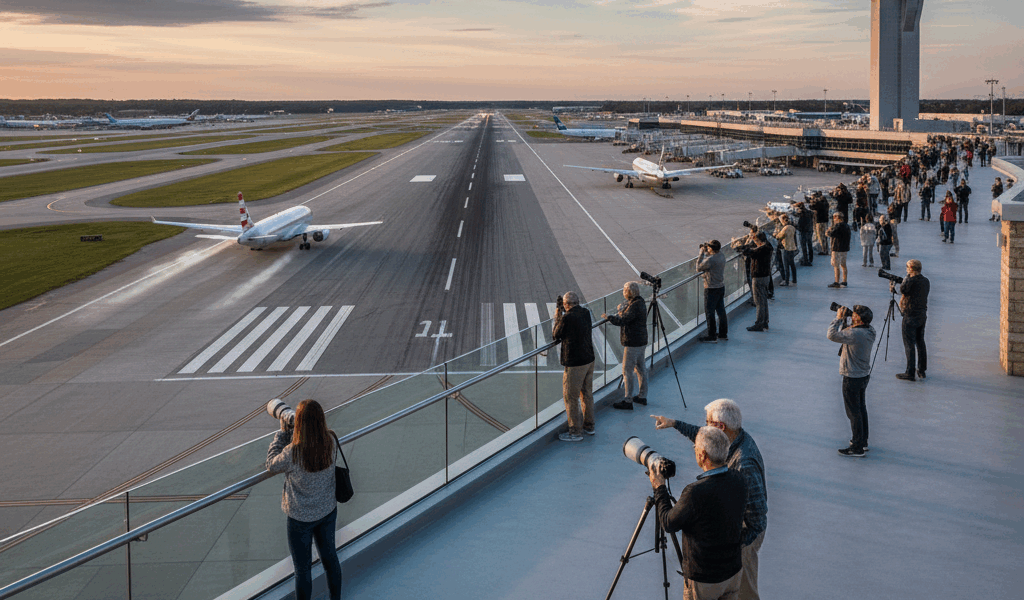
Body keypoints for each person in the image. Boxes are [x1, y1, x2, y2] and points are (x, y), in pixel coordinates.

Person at [652, 399, 768, 600]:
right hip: (733, 528)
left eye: (707, 422)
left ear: (720, 427)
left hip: (744, 535)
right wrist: (675, 424)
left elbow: (758, 520)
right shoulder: (731, 440)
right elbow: (705, 439)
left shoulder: (744, 463)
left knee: (746, 593)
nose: (703, 426)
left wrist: (733, 543)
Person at [651, 426, 746, 600]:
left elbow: (668, 523)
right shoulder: (739, 478)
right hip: (733, 571)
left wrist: (659, 489)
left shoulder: (695, 492)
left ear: (702, 455)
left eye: (695, 448)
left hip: (705, 579)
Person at [267, 400, 343, 600]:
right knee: (330, 559)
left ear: (298, 423)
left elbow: (271, 464)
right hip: (327, 511)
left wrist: (282, 434)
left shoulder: (293, 451)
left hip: (300, 518)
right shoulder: (330, 440)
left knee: (302, 569)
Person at [826, 305, 877, 457]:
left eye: (854, 315)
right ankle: (863, 441)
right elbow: (848, 334)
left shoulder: (854, 334)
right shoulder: (870, 331)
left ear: (859, 319)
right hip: (863, 375)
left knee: (853, 413)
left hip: (851, 377)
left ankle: (856, 446)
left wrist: (838, 318)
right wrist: (848, 321)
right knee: (861, 409)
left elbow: (831, 335)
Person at [553, 291, 596, 441]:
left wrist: (558, 314)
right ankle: (589, 426)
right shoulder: (585, 312)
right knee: (587, 393)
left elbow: (556, 334)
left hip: (575, 363)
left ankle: (575, 431)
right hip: (589, 358)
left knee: (571, 396)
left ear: (565, 305)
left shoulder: (567, 318)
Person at [603, 282, 648, 410]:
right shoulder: (640, 302)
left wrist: (609, 317)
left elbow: (623, 321)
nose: (623, 292)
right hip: (641, 340)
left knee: (627, 371)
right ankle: (642, 395)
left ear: (628, 292)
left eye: (624, 290)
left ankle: (628, 400)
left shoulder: (634, 306)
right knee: (640, 368)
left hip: (633, 342)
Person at [896, 259, 930, 381]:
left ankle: (910, 372)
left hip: (910, 315)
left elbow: (903, 290)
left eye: (907, 267)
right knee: (920, 342)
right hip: (922, 314)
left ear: (911, 268)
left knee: (909, 344)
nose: (906, 269)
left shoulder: (910, 280)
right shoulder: (925, 281)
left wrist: (906, 278)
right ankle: (921, 370)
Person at [697, 240, 728, 343]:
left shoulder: (710, 259)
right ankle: (723, 334)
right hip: (720, 287)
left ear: (711, 249)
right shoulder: (721, 256)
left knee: (710, 312)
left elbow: (698, 267)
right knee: (721, 311)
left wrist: (701, 253)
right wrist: (707, 251)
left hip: (711, 288)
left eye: (709, 247)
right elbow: (712, 260)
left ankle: (712, 336)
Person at [744, 232, 772, 332]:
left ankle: (759, 323)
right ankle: (765, 322)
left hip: (758, 277)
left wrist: (746, 244)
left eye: (756, 241)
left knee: (759, 301)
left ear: (759, 241)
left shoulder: (760, 250)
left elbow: (747, 252)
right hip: (766, 276)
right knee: (764, 300)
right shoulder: (768, 246)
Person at [826, 212, 851, 288]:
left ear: (837, 217)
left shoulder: (837, 226)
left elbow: (831, 234)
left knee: (836, 265)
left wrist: (828, 231)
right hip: (844, 248)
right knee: (843, 265)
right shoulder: (847, 226)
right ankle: (844, 281)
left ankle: (836, 282)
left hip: (837, 248)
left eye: (834, 217)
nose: (833, 220)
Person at [773, 214, 798, 286]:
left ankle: (786, 281)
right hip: (792, 248)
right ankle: (794, 280)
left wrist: (776, 234)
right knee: (792, 265)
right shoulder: (792, 227)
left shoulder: (785, 228)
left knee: (786, 266)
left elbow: (778, 236)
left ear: (783, 220)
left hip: (786, 248)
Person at [794, 201, 815, 265]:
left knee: (804, 246)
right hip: (810, 230)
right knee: (810, 244)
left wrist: (794, 225)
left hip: (804, 232)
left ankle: (806, 260)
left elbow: (800, 225)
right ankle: (811, 259)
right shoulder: (809, 212)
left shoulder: (802, 215)